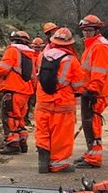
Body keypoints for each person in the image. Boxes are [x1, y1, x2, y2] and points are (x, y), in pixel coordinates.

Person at [34, 27, 87, 173]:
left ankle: (43, 160)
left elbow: (37, 77)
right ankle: (58, 164)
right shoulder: (71, 60)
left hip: (43, 102)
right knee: (61, 135)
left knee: (43, 132)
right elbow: (79, 85)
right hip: (62, 104)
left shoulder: (42, 56)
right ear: (69, 43)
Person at [0, 30, 35, 154]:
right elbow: (33, 76)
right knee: (20, 118)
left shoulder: (12, 51)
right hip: (25, 92)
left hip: (13, 90)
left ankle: (12, 144)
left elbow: (3, 69)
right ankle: (22, 142)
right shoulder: (30, 55)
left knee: (10, 117)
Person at [74, 14, 108, 168]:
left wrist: (92, 90)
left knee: (93, 124)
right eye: (84, 30)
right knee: (88, 123)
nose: (86, 33)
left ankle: (95, 157)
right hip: (89, 91)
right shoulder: (92, 45)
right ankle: (91, 152)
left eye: (89, 30)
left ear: (97, 30)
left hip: (95, 93)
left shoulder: (99, 46)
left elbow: (99, 72)